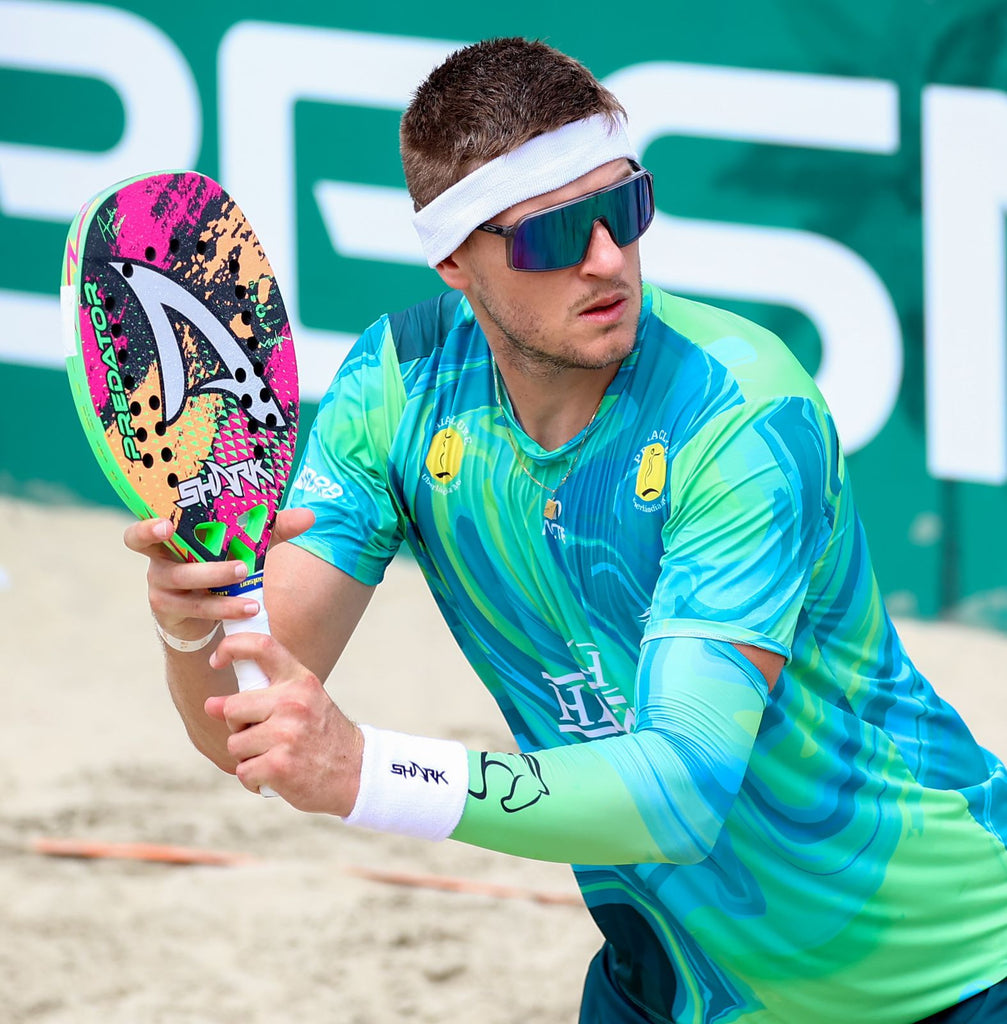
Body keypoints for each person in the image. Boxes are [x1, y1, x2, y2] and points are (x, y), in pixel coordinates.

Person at [124, 37, 1007, 1024]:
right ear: (454, 258)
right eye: (552, 236)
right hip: (676, 981)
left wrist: (372, 770)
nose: (605, 260)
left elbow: (679, 790)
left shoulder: (742, 416)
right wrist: (193, 620)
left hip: (944, 974)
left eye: (622, 210)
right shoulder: (399, 384)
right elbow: (259, 710)